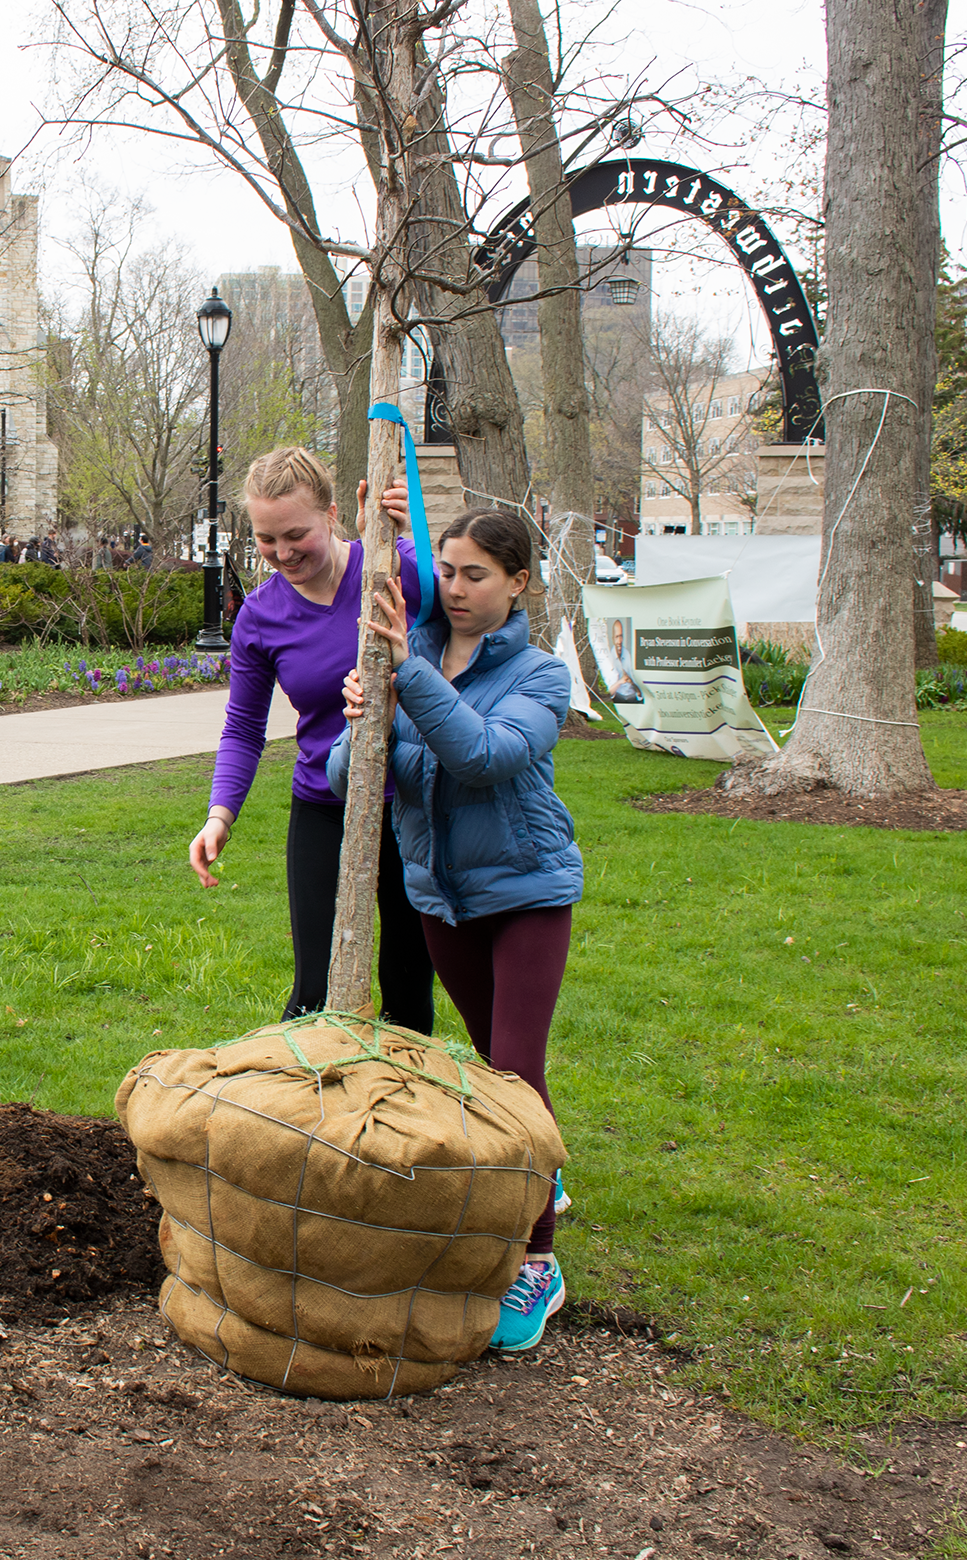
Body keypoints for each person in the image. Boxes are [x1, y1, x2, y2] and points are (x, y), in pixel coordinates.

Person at [330, 506, 584, 1354]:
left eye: (479, 575)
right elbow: (346, 778)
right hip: (442, 899)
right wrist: (362, 710)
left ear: (519, 583)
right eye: (450, 572)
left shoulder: (542, 678)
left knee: (514, 1075)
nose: (460, 589)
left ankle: (536, 1263)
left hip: (526, 897)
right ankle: (539, 1177)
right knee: (494, 1074)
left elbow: (480, 757)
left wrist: (411, 679)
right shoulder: (411, 658)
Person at [190, 446, 432, 1032]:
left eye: (295, 533)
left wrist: (414, 527)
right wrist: (220, 815)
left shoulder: (393, 570)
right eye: (266, 540)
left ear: (332, 513)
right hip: (324, 804)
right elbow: (244, 726)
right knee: (313, 991)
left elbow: (461, 597)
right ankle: (306, 1114)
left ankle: (399, 1115)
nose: (282, 553)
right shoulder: (260, 615)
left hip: (412, 805)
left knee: (407, 982)